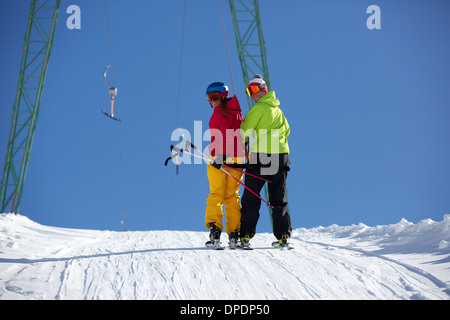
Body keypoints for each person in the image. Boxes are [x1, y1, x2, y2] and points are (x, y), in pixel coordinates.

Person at [239, 74, 292, 248]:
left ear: (263, 90)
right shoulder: (278, 110)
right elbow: (287, 131)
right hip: (281, 156)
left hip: (261, 156)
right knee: (278, 196)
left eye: (253, 90)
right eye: (249, 91)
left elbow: (244, 131)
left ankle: (245, 235)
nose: (251, 95)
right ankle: (283, 236)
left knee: (251, 195)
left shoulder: (259, 108)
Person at [205, 82, 245, 247]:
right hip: (236, 159)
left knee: (216, 194)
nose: (211, 101)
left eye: (214, 97)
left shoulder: (221, 113)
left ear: (223, 95)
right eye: (208, 98)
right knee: (231, 195)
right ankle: (234, 232)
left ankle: (215, 229)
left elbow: (227, 134)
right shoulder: (238, 113)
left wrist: (220, 156)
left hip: (219, 158)